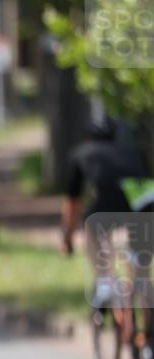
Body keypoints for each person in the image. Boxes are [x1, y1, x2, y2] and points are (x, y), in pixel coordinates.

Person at [61, 116, 151, 311]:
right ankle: (147, 334)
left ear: (89, 138)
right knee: (141, 271)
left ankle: (105, 281)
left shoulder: (83, 153)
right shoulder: (134, 151)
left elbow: (72, 203)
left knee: (92, 225)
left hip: (108, 205)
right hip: (144, 204)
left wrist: (67, 238)